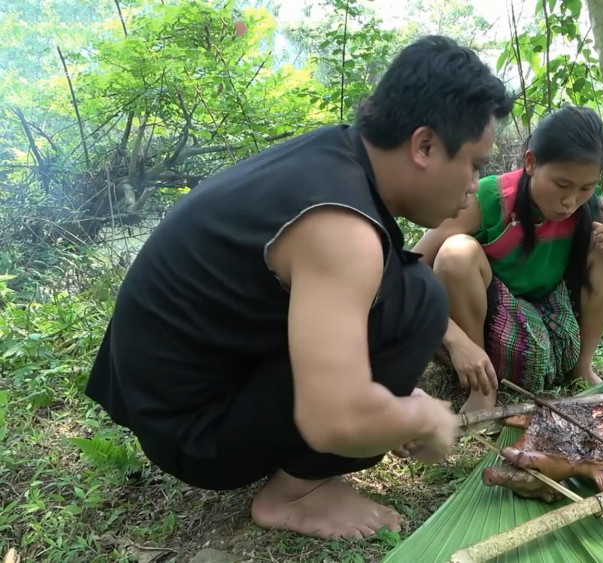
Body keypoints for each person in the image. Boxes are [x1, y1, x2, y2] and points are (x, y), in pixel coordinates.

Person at [84, 35, 515, 540]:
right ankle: (297, 494)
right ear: (424, 146)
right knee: (417, 301)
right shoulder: (341, 228)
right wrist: (414, 416)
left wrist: (388, 399)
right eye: (475, 164)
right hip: (193, 432)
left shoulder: (335, 159)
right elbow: (334, 419)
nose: (473, 185)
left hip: (169, 392)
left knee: (405, 285)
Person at [412, 106, 603, 421]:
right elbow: (411, 267)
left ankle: (581, 369)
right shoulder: (488, 198)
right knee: (455, 253)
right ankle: (482, 387)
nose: (571, 201)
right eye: (561, 184)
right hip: (482, 330)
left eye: (586, 188)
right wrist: (456, 340)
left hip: (549, 326)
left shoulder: (590, 206)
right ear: (531, 163)